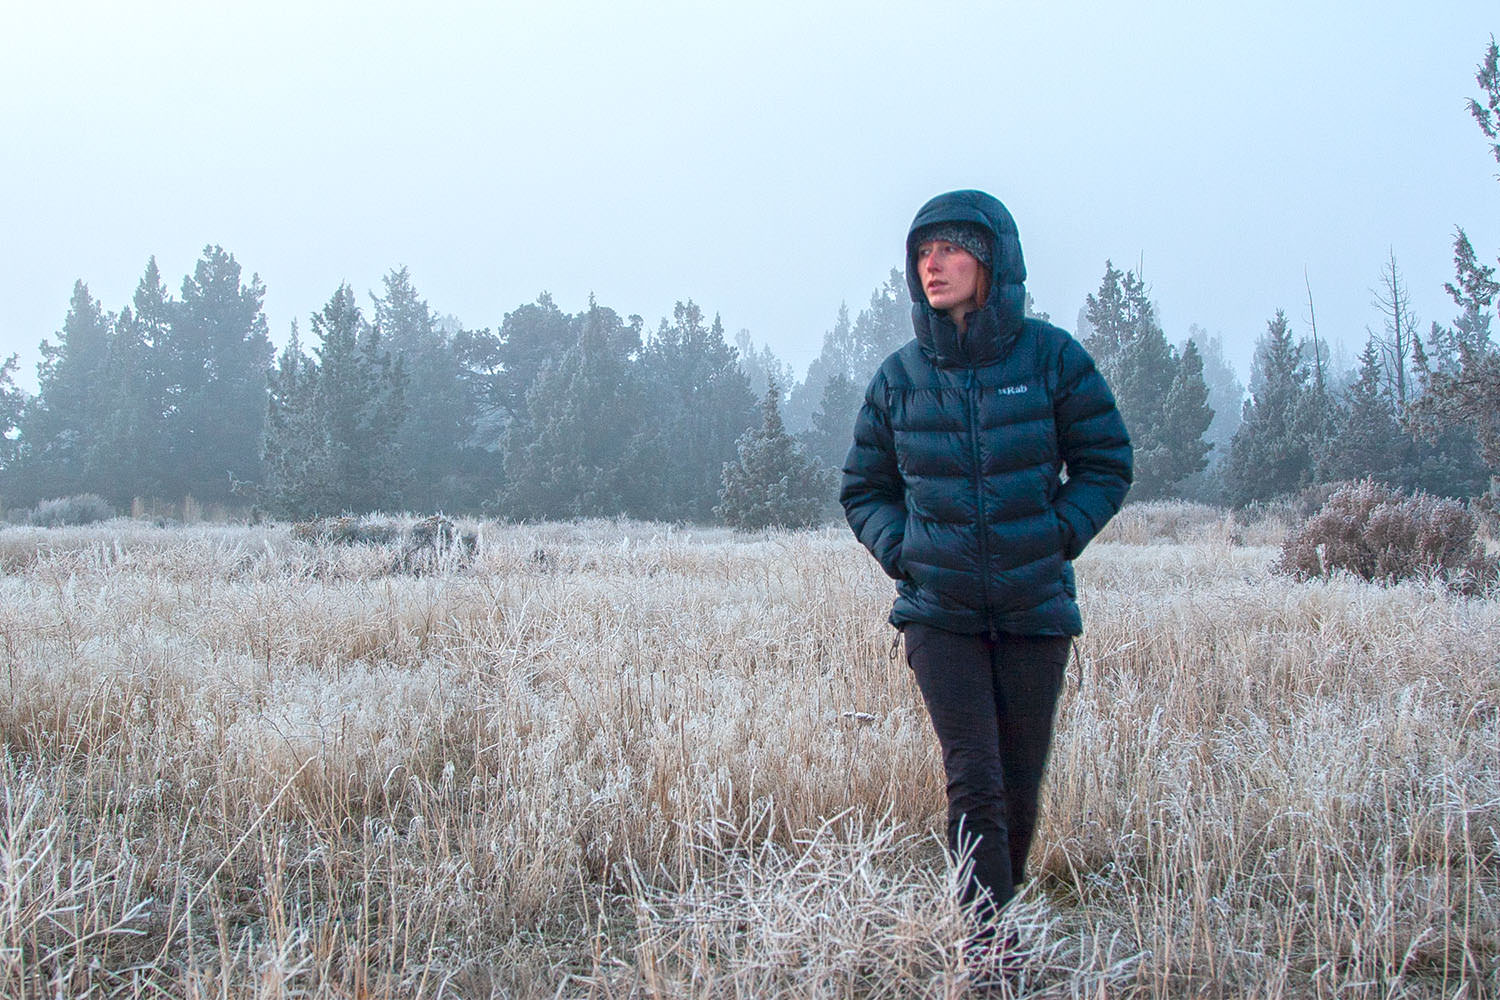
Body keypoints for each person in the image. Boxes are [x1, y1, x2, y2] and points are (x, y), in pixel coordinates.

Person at [840, 190, 1132, 964]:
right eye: (922, 252)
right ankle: (991, 955)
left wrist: (1054, 535)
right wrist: (909, 553)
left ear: (991, 260)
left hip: (1035, 606)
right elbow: (864, 488)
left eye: (951, 248)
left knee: (1018, 785)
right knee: (974, 777)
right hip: (941, 614)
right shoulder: (900, 377)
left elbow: (1107, 462)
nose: (932, 264)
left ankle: (1000, 916)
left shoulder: (1052, 358)